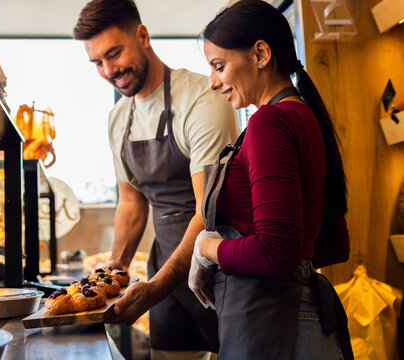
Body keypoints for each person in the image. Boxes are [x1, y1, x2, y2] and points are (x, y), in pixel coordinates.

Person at [73, 1, 239, 359]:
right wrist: (117, 264)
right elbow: (132, 201)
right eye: (97, 63)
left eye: (114, 54)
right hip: (166, 273)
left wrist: (156, 287)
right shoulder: (118, 119)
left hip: (221, 275)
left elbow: (207, 212)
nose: (107, 70)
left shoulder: (201, 100)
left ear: (143, 36)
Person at [188, 0, 353, 359]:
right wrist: (298, 264)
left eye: (219, 66)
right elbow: (333, 243)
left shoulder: (268, 122)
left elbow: (276, 251)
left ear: (260, 53)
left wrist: (207, 249)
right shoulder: (307, 117)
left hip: (280, 326)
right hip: (306, 321)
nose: (214, 82)